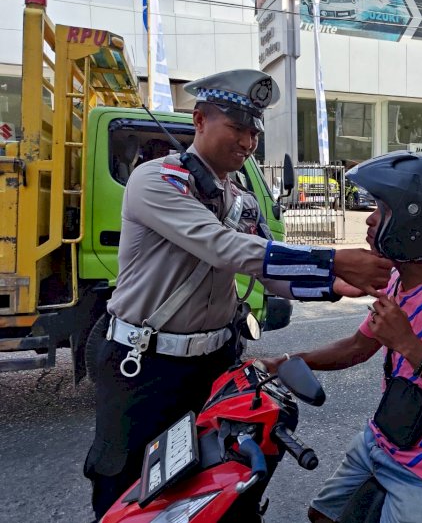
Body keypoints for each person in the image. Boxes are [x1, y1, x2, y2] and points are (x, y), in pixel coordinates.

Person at [83, 69, 393, 521]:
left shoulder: (240, 198)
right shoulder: (156, 181)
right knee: (129, 490)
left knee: (218, 482)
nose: (248, 142)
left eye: (254, 131)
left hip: (213, 364)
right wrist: (333, 260)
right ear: (200, 120)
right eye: (237, 127)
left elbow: (267, 273)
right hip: (146, 366)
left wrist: (333, 286)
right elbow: (224, 247)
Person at [262, 151, 422, 523]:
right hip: (382, 440)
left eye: (382, 210)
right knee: (322, 515)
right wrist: (287, 362)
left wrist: (408, 344)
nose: (371, 219)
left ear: (415, 223)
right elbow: (359, 348)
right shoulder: (398, 279)